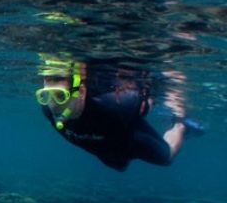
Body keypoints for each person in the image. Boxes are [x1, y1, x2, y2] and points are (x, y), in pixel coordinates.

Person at [35, 56, 203, 171]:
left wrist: (160, 101)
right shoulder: (48, 110)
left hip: (128, 141)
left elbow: (146, 101)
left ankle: (181, 124)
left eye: (60, 95)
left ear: (81, 92)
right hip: (105, 150)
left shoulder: (117, 106)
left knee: (166, 158)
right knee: (119, 166)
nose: (52, 104)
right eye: (45, 95)